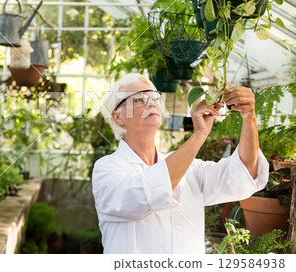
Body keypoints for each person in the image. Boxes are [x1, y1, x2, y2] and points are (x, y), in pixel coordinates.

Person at [92, 73, 269, 254]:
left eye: (154, 97)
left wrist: (249, 117)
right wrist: (199, 134)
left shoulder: (190, 168)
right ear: (118, 117)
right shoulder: (107, 170)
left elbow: (244, 171)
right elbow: (146, 194)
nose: (150, 102)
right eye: (138, 99)